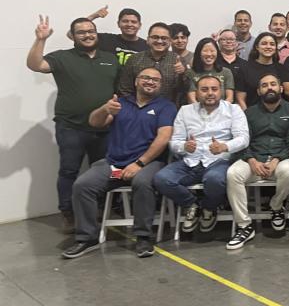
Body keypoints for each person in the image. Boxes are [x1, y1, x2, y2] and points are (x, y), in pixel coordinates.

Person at [61, 67, 176, 259]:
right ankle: (87, 237)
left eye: (155, 80)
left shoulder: (166, 106)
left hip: (149, 163)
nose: (150, 82)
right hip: (114, 164)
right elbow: (95, 122)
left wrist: (139, 164)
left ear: (160, 85)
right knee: (83, 185)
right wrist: (104, 109)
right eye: (145, 78)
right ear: (136, 81)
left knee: (142, 182)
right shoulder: (120, 103)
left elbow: (164, 138)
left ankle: (143, 237)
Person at [27, 15, 119, 233]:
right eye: (81, 32)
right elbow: (35, 64)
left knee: (103, 172)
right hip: (71, 127)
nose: (87, 35)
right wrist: (40, 39)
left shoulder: (110, 58)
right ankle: (68, 213)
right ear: (73, 36)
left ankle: (97, 209)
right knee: (69, 171)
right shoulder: (62, 57)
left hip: (104, 128)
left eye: (91, 31)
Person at [154, 75, 249, 234]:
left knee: (214, 180)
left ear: (222, 91)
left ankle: (209, 208)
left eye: (214, 89)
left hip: (218, 161)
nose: (210, 93)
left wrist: (224, 146)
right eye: (204, 89)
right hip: (190, 161)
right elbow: (174, 141)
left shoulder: (233, 110)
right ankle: (192, 204)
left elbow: (244, 138)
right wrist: (184, 146)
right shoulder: (185, 111)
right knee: (161, 179)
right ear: (196, 93)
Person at [225, 74, 289, 250]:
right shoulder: (248, 113)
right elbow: (242, 140)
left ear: (281, 88)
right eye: (264, 85)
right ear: (259, 91)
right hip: (254, 158)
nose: (270, 88)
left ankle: (276, 205)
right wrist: (251, 160)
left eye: (273, 84)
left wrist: (276, 159)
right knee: (232, 174)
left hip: (280, 158)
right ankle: (244, 226)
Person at [118, 22, 186, 103]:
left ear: (170, 41)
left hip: (167, 109)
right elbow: (125, 89)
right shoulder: (134, 59)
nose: (159, 41)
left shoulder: (178, 60)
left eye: (164, 38)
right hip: (136, 108)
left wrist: (182, 74)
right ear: (148, 40)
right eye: (155, 37)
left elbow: (183, 91)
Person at [235, 32, 287, 110]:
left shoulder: (282, 69)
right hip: (252, 115)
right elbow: (240, 98)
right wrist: (248, 116)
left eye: (272, 44)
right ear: (257, 47)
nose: (268, 47)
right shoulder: (244, 68)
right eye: (264, 43)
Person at [186, 38, 235, 104]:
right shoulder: (190, 73)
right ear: (198, 53)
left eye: (212, 51)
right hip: (198, 111)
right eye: (205, 51)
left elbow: (230, 98)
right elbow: (192, 99)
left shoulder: (226, 72)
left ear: (217, 52)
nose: (209, 54)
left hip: (222, 111)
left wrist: (218, 111)